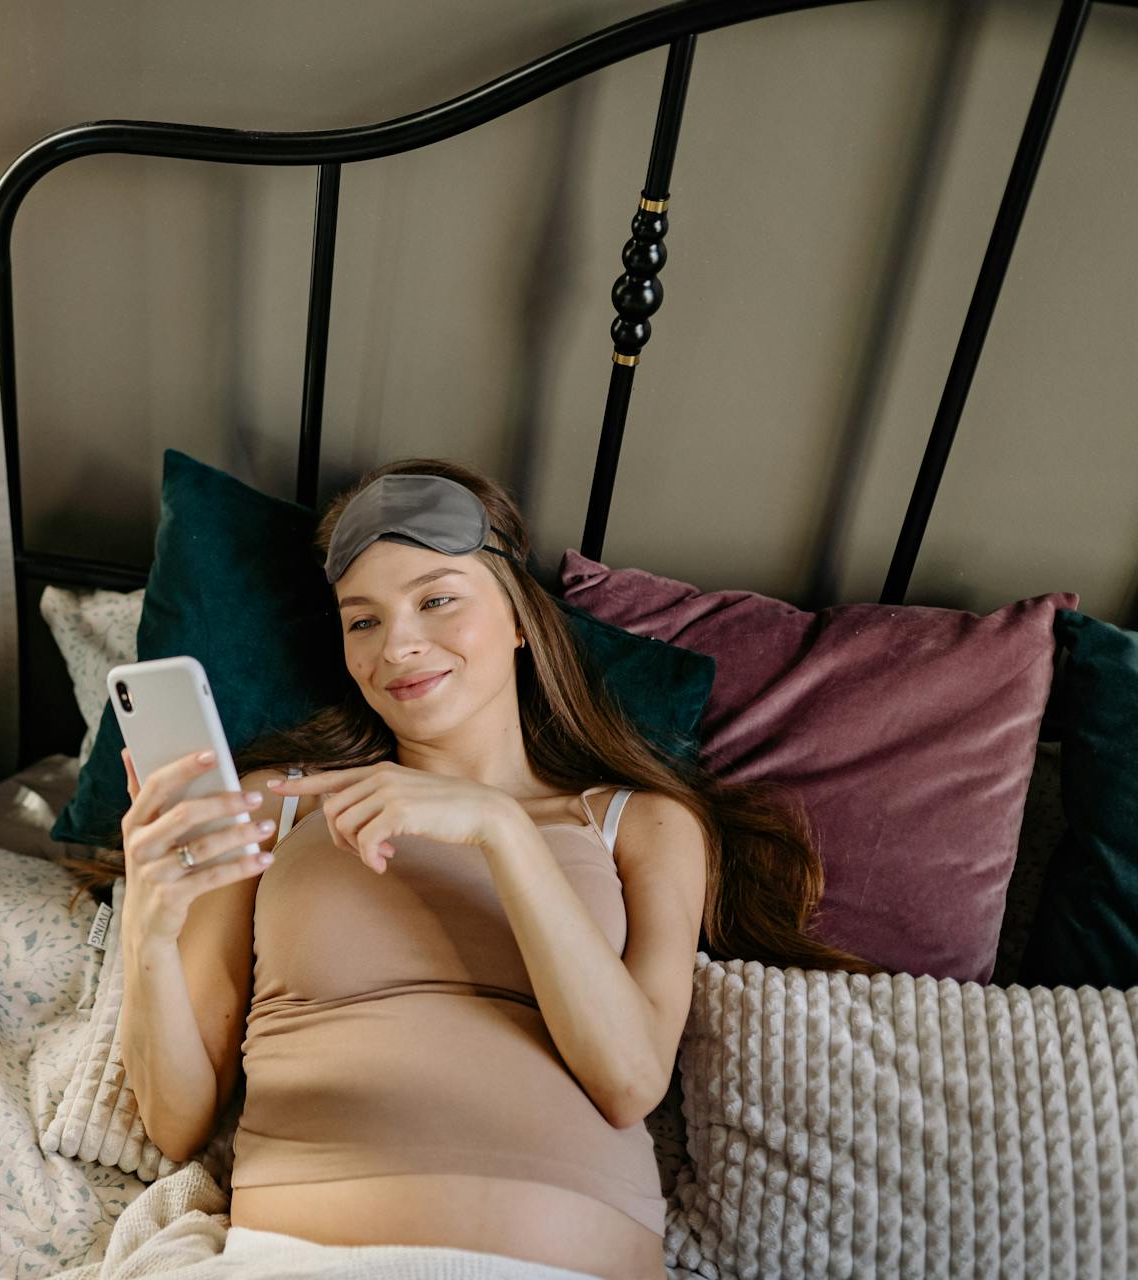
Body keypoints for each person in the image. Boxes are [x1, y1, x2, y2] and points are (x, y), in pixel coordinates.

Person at [61, 457, 880, 1280]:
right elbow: (177, 1123)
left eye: (437, 598)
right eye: (362, 620)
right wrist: (148, 931)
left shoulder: (641, 822)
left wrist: (500, 830)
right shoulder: (277, 806)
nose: (401, 644)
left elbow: (630, 1082)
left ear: (521, 617)